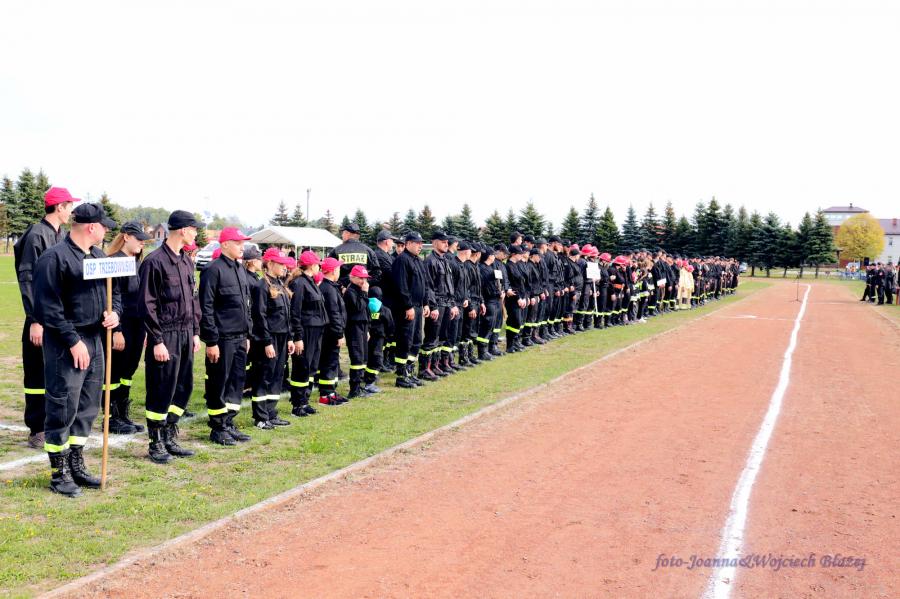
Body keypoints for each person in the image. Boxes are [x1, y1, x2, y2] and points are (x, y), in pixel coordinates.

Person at [32, 202, 120, 496]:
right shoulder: (54, 258)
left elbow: (115, 291)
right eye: (104, 226)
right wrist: (72, 341)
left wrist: (115, 314)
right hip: (66, 343)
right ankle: (59, 473)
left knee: (88, 406)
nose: (107, 231)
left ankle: (76, 464)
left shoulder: (99, 256)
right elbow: (47, 308)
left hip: (96, 339)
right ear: (92, 227)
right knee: (63, 406)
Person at [138, 210, 203, 464]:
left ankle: (169, 434)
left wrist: (195, 332)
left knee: (183, 387)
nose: (196, 234)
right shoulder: (154, 262)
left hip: (186, 333)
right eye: (194, 229)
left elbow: (193, 299)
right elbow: (147, 305)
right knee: (161, 387)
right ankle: (155, 442)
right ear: (183, 230)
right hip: (165, 335)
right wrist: (157, 340)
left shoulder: (186, 261)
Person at [14, 186, 76, 449]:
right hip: (40, 319)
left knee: (55, 373)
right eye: (69, 206)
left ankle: (54, 423)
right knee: (36, 375)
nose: (71, 211)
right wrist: (35, 320)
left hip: (56, 317)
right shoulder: (37, 234)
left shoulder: (60, 234)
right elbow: (28, 278)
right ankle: (37, 428)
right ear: (59, 207)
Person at [199, 227, 255, 445]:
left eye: (243, 243)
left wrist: (247, 334)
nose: (242, 247)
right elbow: (206, 307)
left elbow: (246, 305)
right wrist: (211, 341)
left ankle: (229, 422)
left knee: (236, 382)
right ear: (224, 244)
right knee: (218, 383)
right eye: (238, 243)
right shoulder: (213, 270)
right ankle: (218, 427)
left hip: (240, 337)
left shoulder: (239, 269)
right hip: (222, 339)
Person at [107, 221, 152, 434]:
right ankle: (111, 417)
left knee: (128, 371)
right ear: (126, 237)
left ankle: (122, 414)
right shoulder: (113, 262)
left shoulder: (136, 262)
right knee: (115, 371)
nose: (142, 243)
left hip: (137, 325)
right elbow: (110, 299)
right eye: (139, 239)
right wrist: (116, 331)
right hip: (121, 326)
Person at [249, 248, 294, 430]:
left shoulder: (280, 284)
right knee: (264, 376)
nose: (284, 267)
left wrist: (290, 338)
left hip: (282, 337)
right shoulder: (261, 286)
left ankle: (271, 413)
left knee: (277, 376)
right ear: (270, 264)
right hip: (268, 338)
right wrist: (267, 342)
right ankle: (260, 417)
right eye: (281, 264)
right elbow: (259, 317)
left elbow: (286, 315)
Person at [287, 251, 326, 417]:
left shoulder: (310, 282)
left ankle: (304, 400)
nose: (319, 267)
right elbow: (295, 312)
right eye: (317, 264)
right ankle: (297, 404)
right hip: (306, 330)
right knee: (302, 367)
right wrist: (298, 337)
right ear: (310, 265)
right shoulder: (299, 283)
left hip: (316, 330)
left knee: (311, 367)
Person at [390, 231, 428, 388]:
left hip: (418, 307)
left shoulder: (418, 260)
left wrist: (426, 303)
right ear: (408, 243)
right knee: (405, 341)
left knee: (416, 341)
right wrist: (408, 306)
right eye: (417, 243)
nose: (420, 246)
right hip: (407, 308)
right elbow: (401, 286)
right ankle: (401, 376)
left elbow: (424, 284)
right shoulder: (402, 260)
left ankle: (409, 372)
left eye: (421, 243)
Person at [421, 231, 457, 380]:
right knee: (431, 337)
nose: (446, 244)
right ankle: (424, 369)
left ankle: (436, 365)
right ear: (434, 242)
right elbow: (428, 286)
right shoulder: (430, 261)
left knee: (442, 337)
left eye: (447, 242)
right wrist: (433, 306)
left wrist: (453, 304)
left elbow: (450, 285)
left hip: (447, 303)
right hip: (437, 304)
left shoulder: (445, 260)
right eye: (443, 242)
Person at [317, 257, 348, 405]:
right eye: (338, 269)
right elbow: (334, 313)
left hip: (331, 332)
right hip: (330, 333)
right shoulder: (328, 289)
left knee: (333, 362)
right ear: (332, 271)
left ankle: (331, 391)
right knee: (328, 363)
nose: (339, 271)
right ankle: (325, 394)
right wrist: (339, 333)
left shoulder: (330, 287)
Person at [344, 265, 372, 398]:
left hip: (362, 327)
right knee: (357, 357)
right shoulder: (351, 292)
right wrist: (365, 293)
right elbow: (358, 307)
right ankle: (354, 389)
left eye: (365, 278)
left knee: (363, 357)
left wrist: (368, 329)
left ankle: (359, 386)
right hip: (354, 327)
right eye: (361, 278)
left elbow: (366, 311)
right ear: (353, 278)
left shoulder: (359, 290)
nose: (363, 281)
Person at [329, 222, 380, 287]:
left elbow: (328, 271)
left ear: (347, 233)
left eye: (343, 233)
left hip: (342, 290)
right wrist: (365, 283)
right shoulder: (369, 251)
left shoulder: (336, 250)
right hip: (362, 289)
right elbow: (377, 273)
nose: (342, 235)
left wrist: (340, 286)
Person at [364, 286, 393, 393]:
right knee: (376, 360)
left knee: (366, 358)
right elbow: (390, 325)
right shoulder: (385, 310)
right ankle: (370, 381)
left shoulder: (364, 306)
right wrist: (389, 335)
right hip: (379, 339)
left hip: (366, 337)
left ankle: (365, 375)